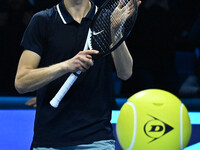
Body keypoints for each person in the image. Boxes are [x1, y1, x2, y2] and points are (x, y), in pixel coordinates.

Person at [15, 0, 141, 149]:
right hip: (49, 140)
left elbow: (125, 72)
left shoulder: (108, 19)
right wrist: (66, 66)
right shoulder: (43, 20)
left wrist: (116, 29)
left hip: (96, 139)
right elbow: (21, 82)